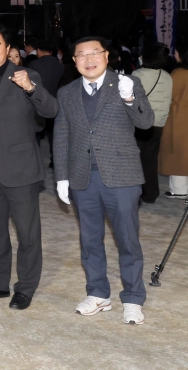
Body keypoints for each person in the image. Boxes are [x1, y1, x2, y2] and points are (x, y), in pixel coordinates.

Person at [54, 36, 153, 325]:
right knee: (90, 239)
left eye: (94, 53)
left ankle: (133, 297)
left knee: (127, 239)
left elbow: (146, 121)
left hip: (121, 175)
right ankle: (98, 293)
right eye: (81, 55)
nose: (88, 59)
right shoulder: (67, 92)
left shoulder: (127, 83)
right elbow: (61, 136)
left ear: (106, 56)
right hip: (83, 176)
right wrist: (61, 176)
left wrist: (129, 99)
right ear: (74, 61)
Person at [0, 25, 58, 310]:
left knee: (26, 232)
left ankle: (26, 287)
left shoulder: (26, 76)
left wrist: (31, 89)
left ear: (8, 49)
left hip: (19, 168)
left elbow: (50, 111)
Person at [132, 44, 172, 203]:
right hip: (159, 122)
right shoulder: (167, 76)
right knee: (150, 159)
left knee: (135, 158)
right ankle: (151, 192)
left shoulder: (138, 74)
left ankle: (138, 191)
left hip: (141, 122)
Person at [160, 42, 188, 198]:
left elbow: (168, 93)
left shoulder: (179, 73)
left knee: (178, 154)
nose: (175, 55)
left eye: (177, 52)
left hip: (180, 119)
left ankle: (179, 190)